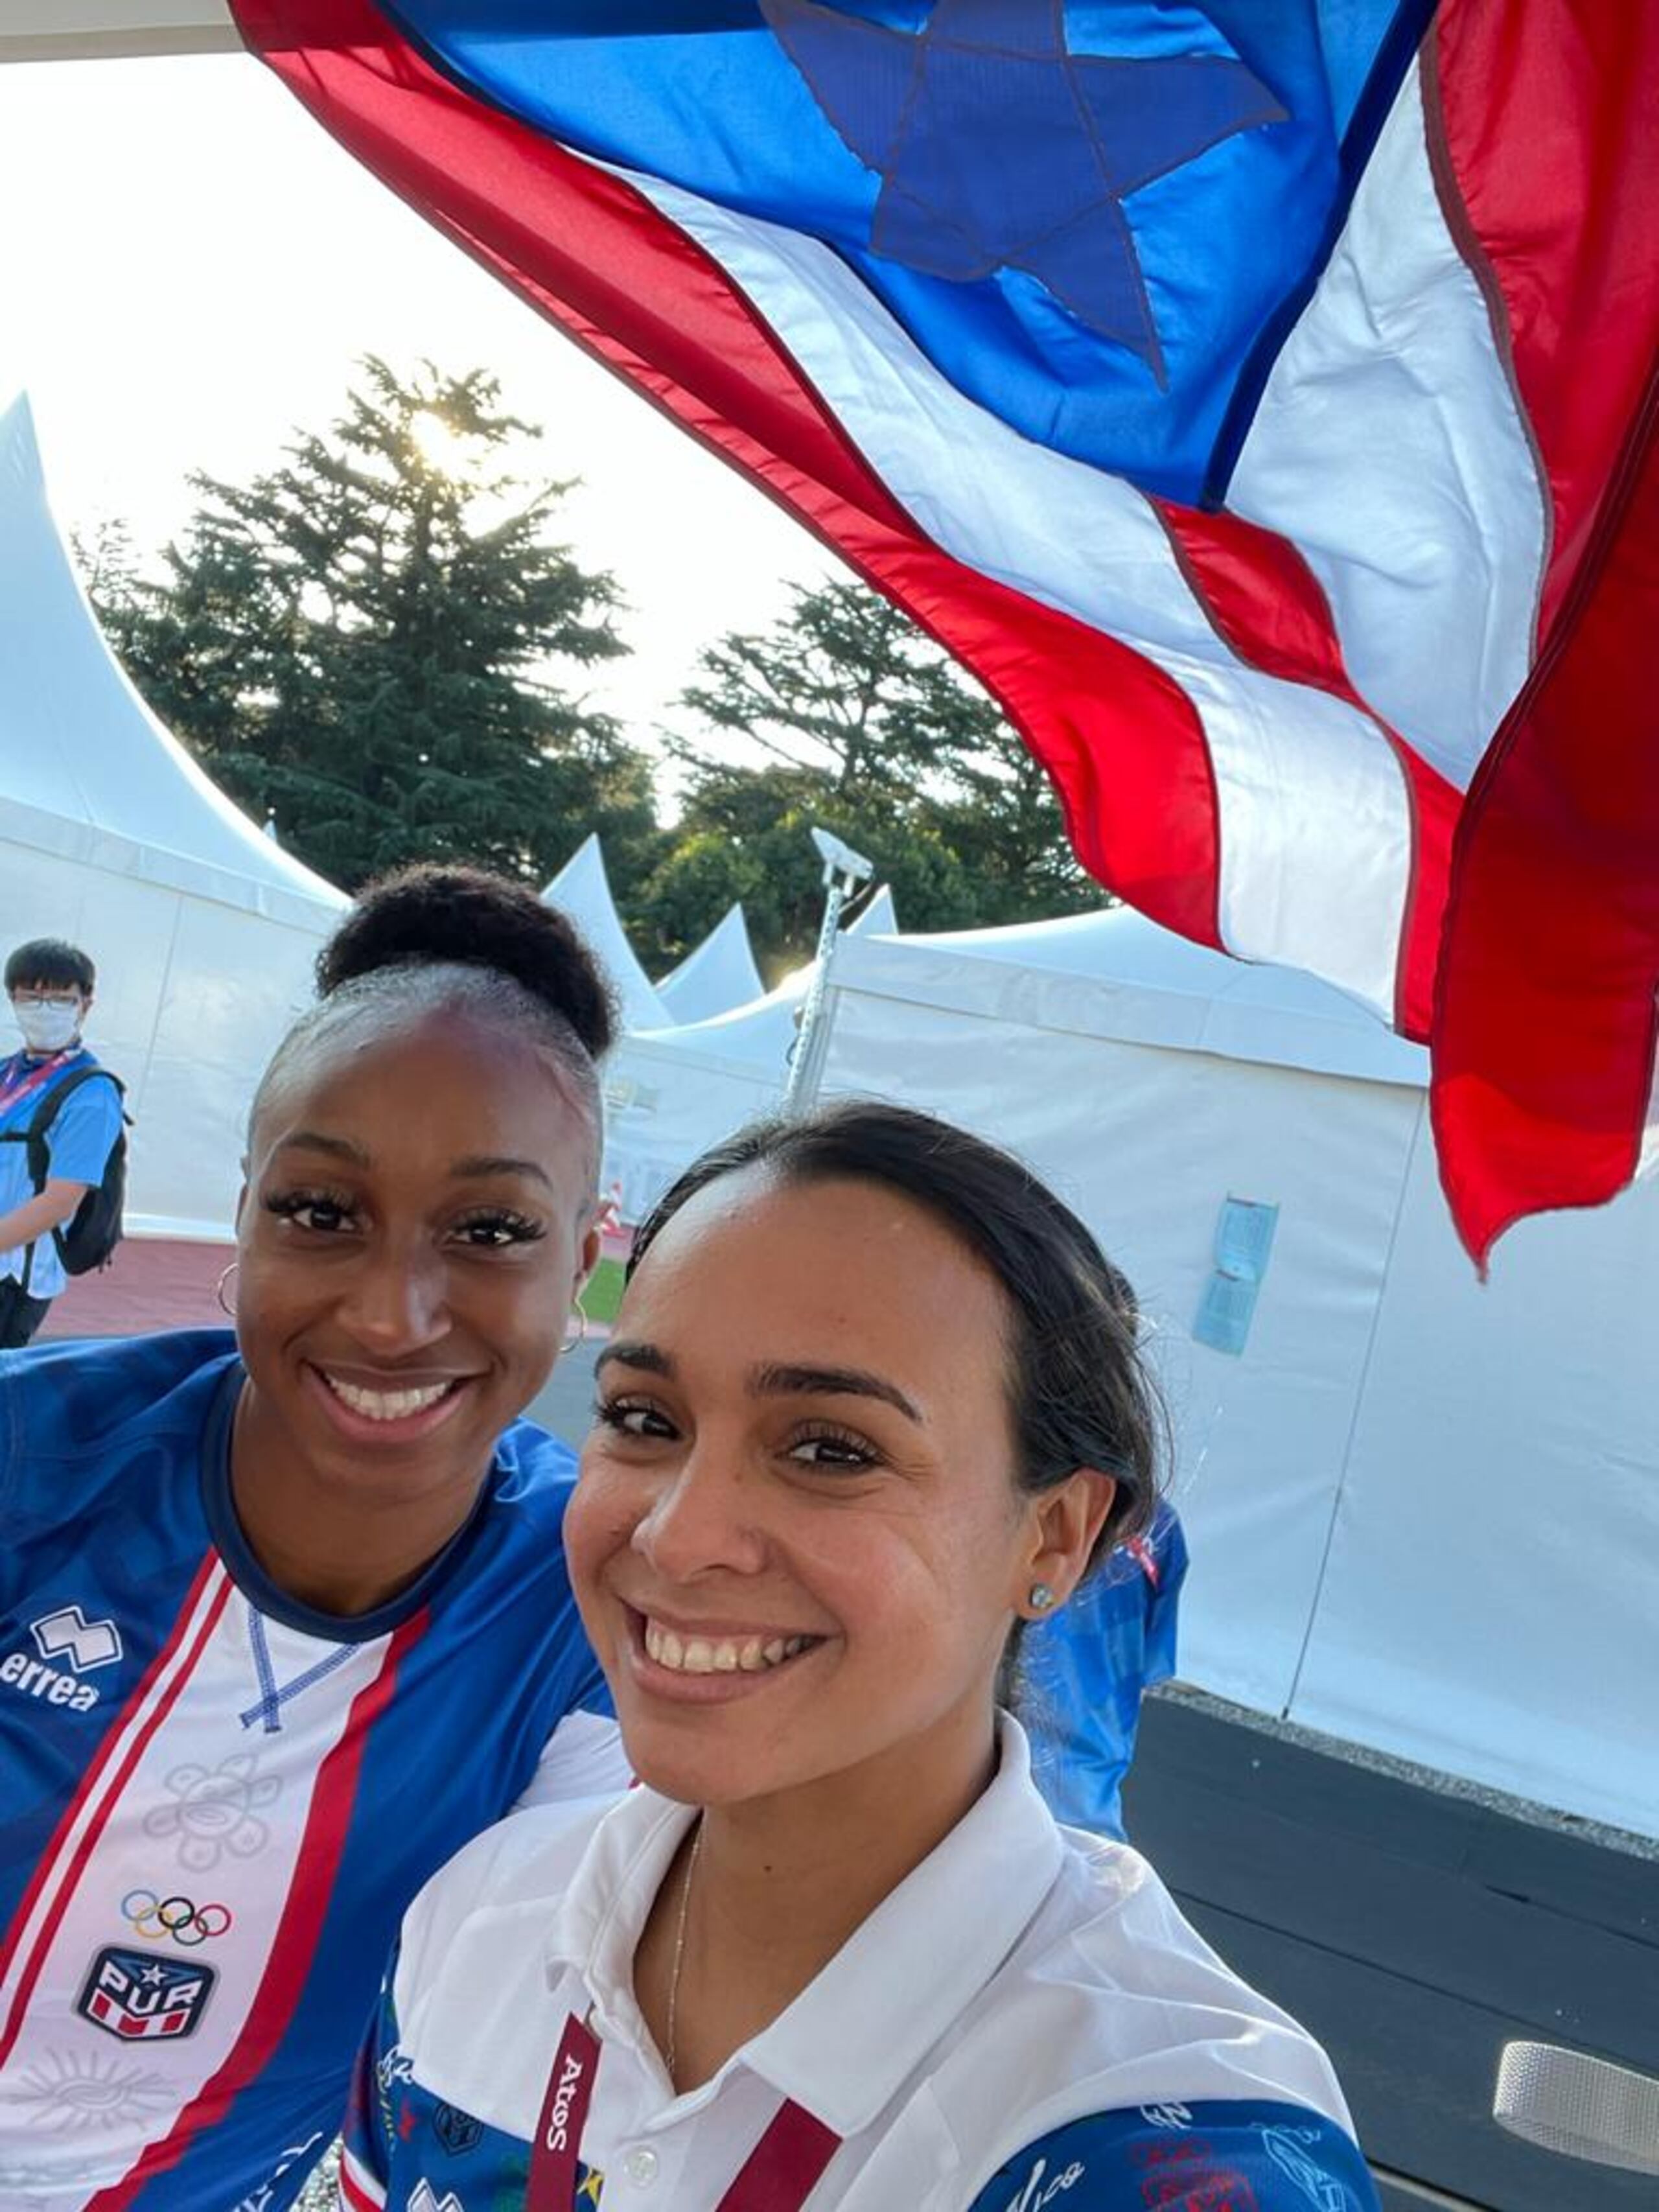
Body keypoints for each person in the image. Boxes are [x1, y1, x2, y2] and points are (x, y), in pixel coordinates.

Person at [342, 1100, 1380, 2211]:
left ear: (1057, 1535)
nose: (678, 1535)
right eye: (645, 1418)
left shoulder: (1162, 2147)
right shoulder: (478, 1919)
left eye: (831, 1447)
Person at [0, 865, 631, 2212]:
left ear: (581, 1259)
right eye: (321, 1210)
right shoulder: (30, 1461)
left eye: (491, 1229)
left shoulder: (595, 1602)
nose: (395, 1312)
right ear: (242, 1205)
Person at [0, 938, 124, 1348]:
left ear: (85, 1005)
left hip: (15, 1277)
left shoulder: (91, 1093)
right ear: (13, 1000)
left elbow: (60, 1201)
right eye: (33, 997)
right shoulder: (6, 1073)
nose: (44, 1008)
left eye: (59, 998)